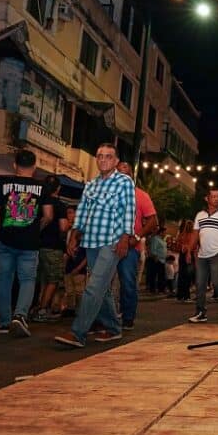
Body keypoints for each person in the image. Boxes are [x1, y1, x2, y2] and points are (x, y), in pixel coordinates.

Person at [54, 143, 135, 348]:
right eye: (99, 156)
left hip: (112, 242)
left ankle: (78, 333)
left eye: (108, 157)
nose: (103, 160)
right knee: (103, 288)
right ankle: (114, 328)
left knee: (93, 287)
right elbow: (81, 212)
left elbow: (129, 211)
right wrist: (74, 236)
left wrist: (125, 237)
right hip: (91, 242)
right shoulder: (91, 185)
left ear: (116, 161)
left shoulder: (124, 182)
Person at [0, 150, 53, 337]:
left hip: (6, 240)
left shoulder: (3, 185)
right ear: (34, 167)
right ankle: (20, 315)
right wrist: (34, 228)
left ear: (15, 165)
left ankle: (4, 322)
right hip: (29, 243)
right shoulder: (42, 187)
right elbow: (48, 216)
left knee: (4, 280)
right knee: (27, 280)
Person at [114, 162, 157, 330]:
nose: (122, 177)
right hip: (108, 244)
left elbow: (153, 220)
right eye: (119, 173)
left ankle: (128, 317)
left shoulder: (140, 195)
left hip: (131, 247)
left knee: (127, 283)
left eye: (126, 173)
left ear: (132, 176)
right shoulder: (110, 193)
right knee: (103, 283)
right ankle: (105, 316)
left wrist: (138, 237)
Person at [186, 187, 218, 323]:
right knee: (200, 283)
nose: (216, 199)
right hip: (202, 254)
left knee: (216, 280)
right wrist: (190, 250)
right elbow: (195, 234)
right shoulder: (200, 215)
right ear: (207, 198)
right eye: (213, 196)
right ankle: (201, 312)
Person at [33, 175, 69, 322]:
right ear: (58, 188)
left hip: (36, 245)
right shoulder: (60, 205)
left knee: (40, 279)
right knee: (53, 280)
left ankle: (35, 307)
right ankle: (42, 310)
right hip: (53, 246)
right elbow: (63, 227)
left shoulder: (37, 202)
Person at [146, 226, 168, 293]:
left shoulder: (162, 240)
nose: (165, 234)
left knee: (161, 275)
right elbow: (153, 249)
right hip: (157, 259)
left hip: (162, 260)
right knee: (154, 275)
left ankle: (161, 289)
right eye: (164, 232)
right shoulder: (155, 239)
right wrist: (156, 258)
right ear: (161, 232)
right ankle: (153, 289)